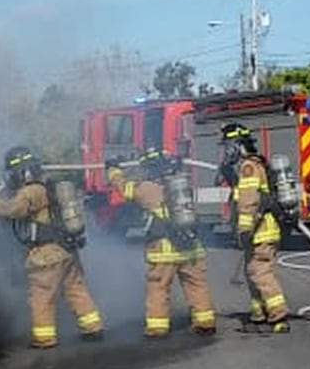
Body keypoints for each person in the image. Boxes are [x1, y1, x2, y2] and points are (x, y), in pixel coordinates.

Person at [0, 145, 104, 348]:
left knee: (41, 296)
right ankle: (93, 328)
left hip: (46, 255)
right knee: (75, 289)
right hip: (67, 250)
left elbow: (11, 210)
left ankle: (44, 338)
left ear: (21, 173)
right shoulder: (49, 186)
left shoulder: (30, 192)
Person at [107, 149, 216, 338]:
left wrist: (113, 170)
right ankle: (205, 322)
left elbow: (124, 188)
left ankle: (158, 328)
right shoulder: (181, 185)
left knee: (158, 288)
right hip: (190, 247)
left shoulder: (146, 188)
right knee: (196, 285)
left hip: (164, 251)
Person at [219, 122, 290, 333]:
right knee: (252, 272)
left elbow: (248, 201)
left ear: (237, 145)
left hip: (260, 230)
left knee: (260, 273)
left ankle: (278, 316)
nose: (226, 152)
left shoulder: (248, 167)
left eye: (227, 146)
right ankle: (259, 314)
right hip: (259, 230)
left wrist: (244, 229)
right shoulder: (251, 165)